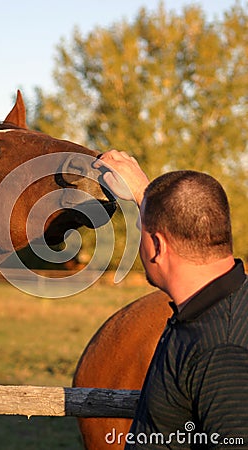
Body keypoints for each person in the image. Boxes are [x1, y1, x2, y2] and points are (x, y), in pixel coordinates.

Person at [95, 150, 248, 449]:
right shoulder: (213, 305)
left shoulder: (222, 352)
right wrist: (145, 195)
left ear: (157, 245)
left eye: (142, 233)